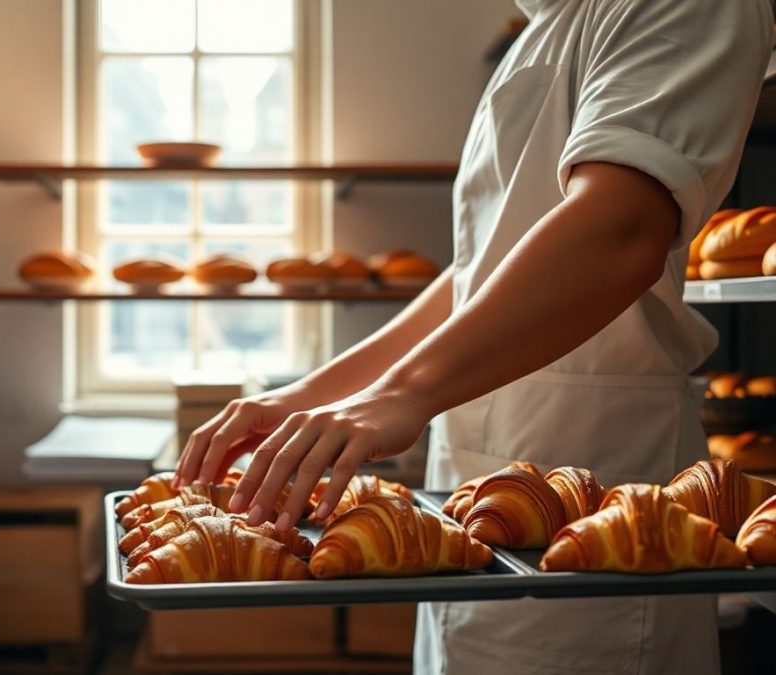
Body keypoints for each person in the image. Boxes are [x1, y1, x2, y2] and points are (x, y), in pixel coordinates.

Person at [173, 0, 774, 673]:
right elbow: (482, 272)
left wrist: (405, 390)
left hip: (603, 496)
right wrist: (318, 392)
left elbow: (621, 227)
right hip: (469, 499)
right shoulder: (545, 25)